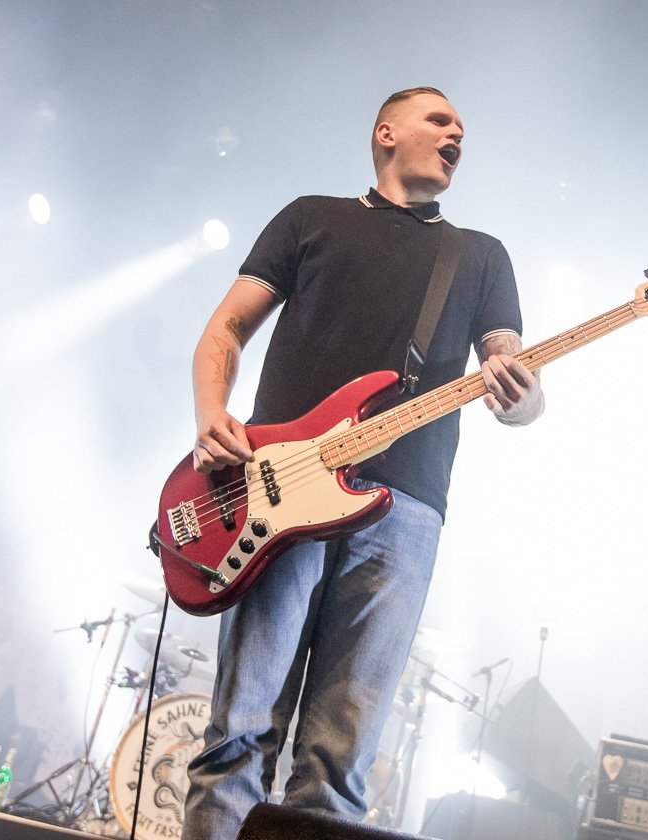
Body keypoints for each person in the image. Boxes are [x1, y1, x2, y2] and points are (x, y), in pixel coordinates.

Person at [180, 86, 544, 840]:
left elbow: (513, 377)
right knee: (239, 733)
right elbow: (226, 329)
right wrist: (213, 412)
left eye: (462, 128)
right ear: (387, 132)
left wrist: (521, 393)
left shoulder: (479, 255)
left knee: (340, 764)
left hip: (406, 508)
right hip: (279, 489)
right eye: (440, 120)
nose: (457, 134)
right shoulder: (311, 217)